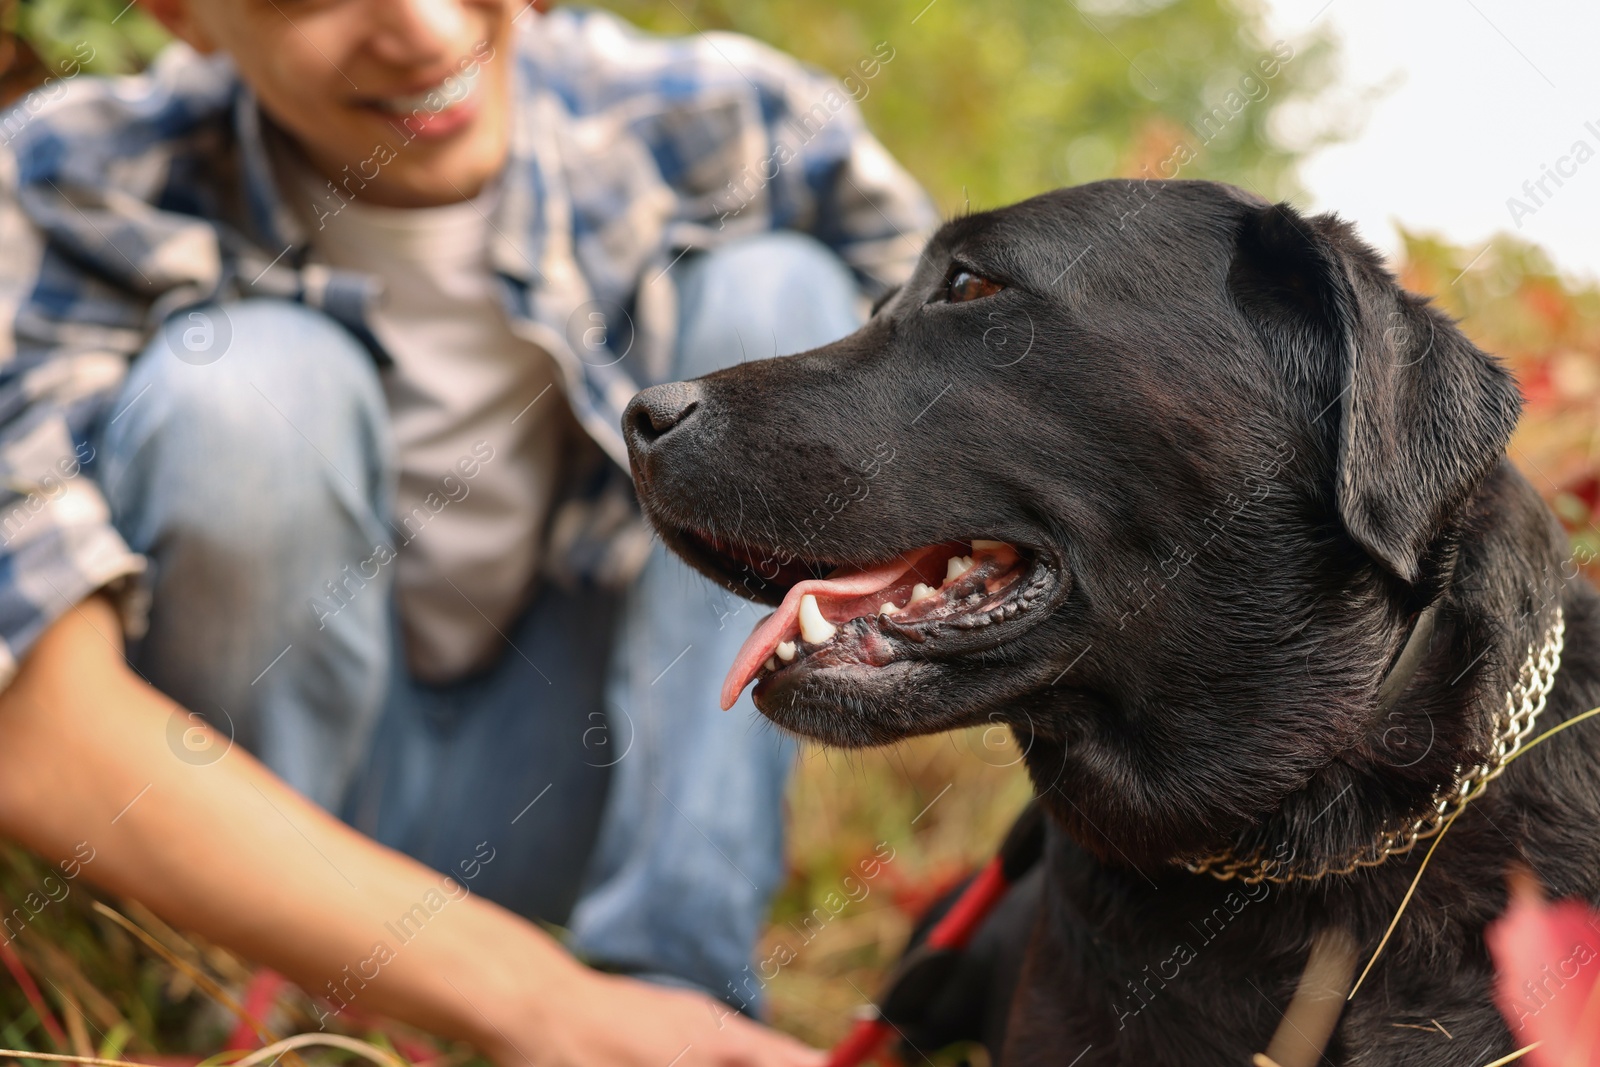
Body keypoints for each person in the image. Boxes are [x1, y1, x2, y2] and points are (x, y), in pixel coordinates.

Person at [0, 1, 934, 1063]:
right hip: (253, 832)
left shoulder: (723, 119)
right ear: (181, 16)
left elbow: (1008, 420)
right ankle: (275, 1011)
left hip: (566, 779)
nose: (429, 32)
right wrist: (541, 1005)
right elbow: (29, 716)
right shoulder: (63, 177)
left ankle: (680, 1003)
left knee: (784, 297)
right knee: (247, 388)